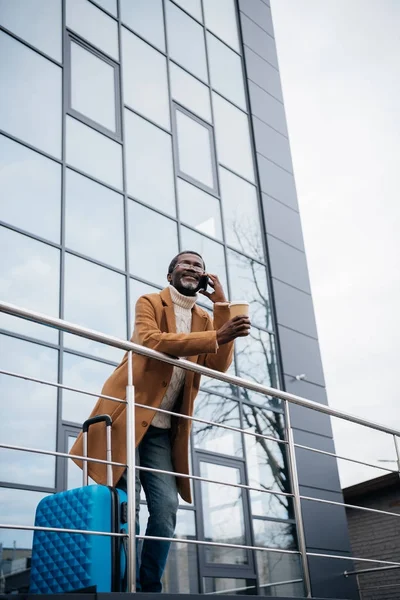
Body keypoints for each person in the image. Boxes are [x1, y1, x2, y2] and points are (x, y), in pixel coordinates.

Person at [70, 251, 251, 592]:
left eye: (198, 265)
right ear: (171, 276)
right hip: (128, 418)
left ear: (204, 278)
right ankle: (120, 584)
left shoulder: (205, 319)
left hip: (162, 431)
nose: (192, 268)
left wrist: (222, 307)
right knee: (125, 507)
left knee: (166, 508)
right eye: (185, 263)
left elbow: (218, 365)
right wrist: (217, 335)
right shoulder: (150, 302)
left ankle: (148, 584)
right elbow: (152, 341)